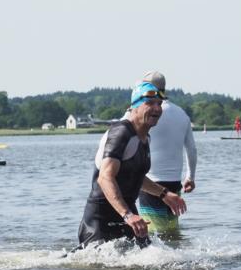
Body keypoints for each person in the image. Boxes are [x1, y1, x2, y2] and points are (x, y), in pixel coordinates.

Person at [77, 82, 187, 248]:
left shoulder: (144, 137)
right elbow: (105, 178)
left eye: (159, 104)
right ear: (134, 107)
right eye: (149, 103)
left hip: (128, 217)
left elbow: (134, 176)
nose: (157, 109)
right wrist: (127, 215)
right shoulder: (121, 133)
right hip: (101, 222)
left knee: (150, 262)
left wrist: (164, 194)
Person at [135, 72, 197, 234]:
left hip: (150, 183)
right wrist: (190, 177)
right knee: (171, 232)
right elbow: (191, 149)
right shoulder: (181, 114)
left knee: (152, 234)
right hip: (175, 184)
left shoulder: (143, 113)